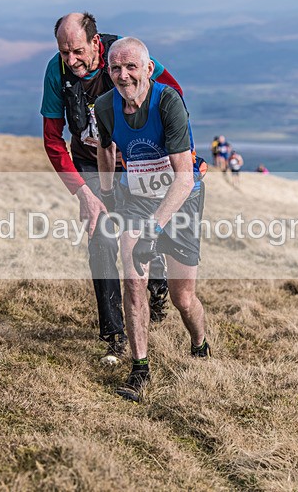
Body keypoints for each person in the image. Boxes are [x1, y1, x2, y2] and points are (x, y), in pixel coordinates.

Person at [40, 12, 180, 363]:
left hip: (136, 163)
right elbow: (52, 140)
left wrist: (179, 149)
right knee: (101, 241)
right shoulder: (56, 72)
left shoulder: (123, 55)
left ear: (95, 41)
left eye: (77, 51)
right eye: (63, 52)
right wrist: (84, 194)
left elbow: (174, 93)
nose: (70, 60)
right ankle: (114, 335)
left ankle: (158, 287)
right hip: (90, 164)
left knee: (146, 234)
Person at [96, 37, 210, 403]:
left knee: (182, 297)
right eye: (116, 68)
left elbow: (184, 177)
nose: (123, 75)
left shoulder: (167, 102)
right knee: (133, 281)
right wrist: (108, 192)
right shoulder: (105, 106)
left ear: (148, 68)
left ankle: (199, 344)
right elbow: (105, 147)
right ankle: (140, 367)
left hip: (181, 201)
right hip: (137, 201)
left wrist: (154, 228)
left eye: (132, 67)